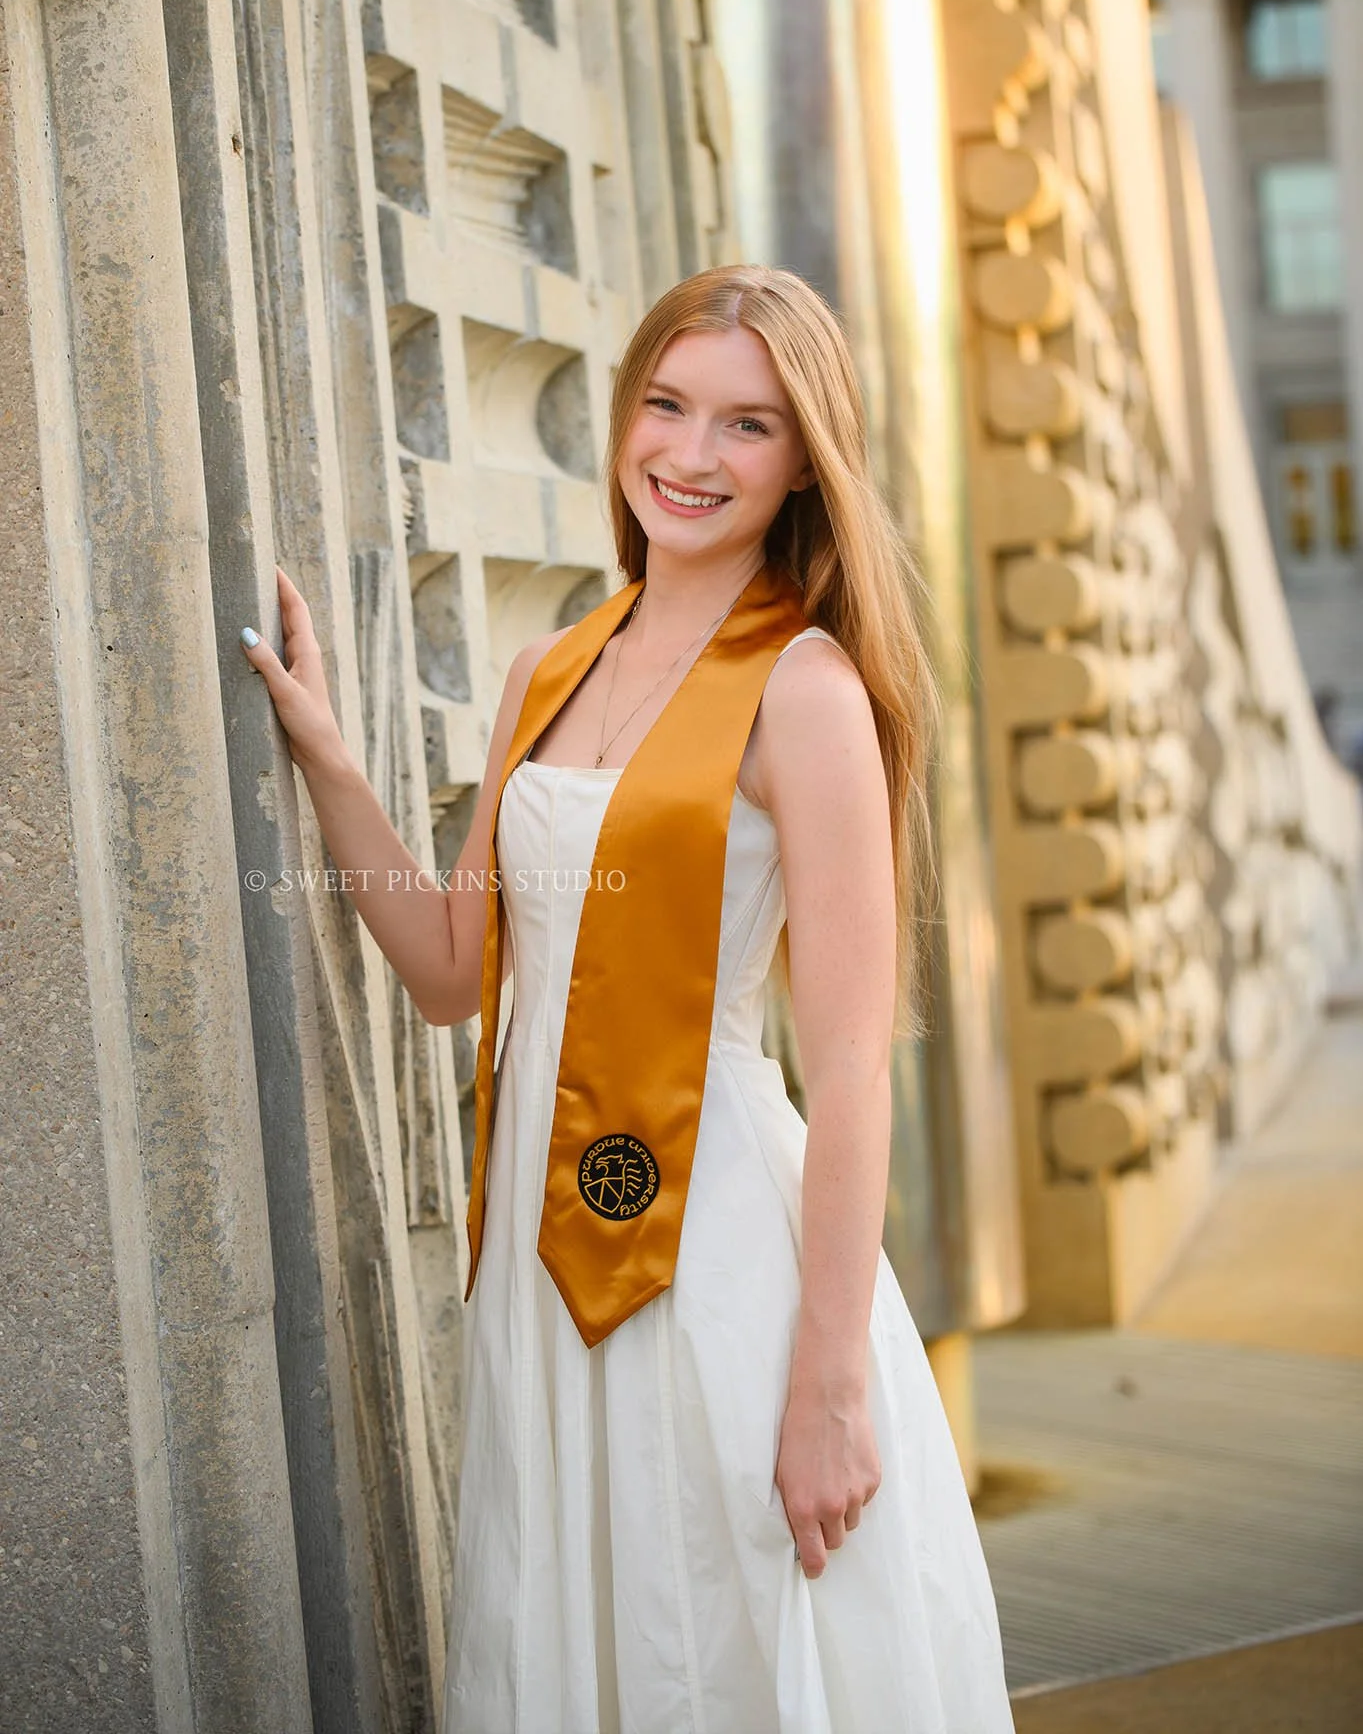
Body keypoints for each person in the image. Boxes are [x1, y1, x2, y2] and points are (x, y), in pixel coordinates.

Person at [240, 264, 1015, 1732]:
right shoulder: (549, 667)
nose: (689, 454)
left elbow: (849, 1065)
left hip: (719, 1247)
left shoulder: (804, 692)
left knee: (720, 1627)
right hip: (550, 1259)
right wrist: (330, 762)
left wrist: (830, 1382)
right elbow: (453, 975)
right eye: (665, 406)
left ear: (801, 466)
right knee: (586, 1623)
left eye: (746, 427)